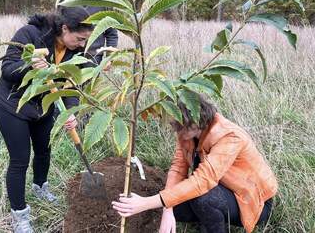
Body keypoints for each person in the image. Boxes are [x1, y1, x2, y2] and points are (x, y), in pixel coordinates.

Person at [112, 94, 278, 233]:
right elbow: (178, 168)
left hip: (252, 201)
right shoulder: (188, 134)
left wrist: (146, 203)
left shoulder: (229, 137)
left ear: (195, 122)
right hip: (218, 188)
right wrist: (168, 208)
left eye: (179, 128)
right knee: (167, 202)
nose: (177, 132)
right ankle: (208, 218)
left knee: (202, 198)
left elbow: (203, 181)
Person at [0, 6, 94, 233]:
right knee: (20, 159)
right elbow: (7, 69)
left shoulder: (75, 53)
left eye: (85, 40)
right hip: (13, 106)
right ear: (65, 28)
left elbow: (71, 87)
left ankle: (40, 188)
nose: (82, 44)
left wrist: (70, 113)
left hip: (43, 108)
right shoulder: (30, 34)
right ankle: (19, 216)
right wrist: (29, 65)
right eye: (79, 39)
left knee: (44, 151)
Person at [84, 0, 118, 67]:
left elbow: (111, 33)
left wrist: (109, 58)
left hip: (93, 57)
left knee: (89, 84)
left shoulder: (106, 2)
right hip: (69, 54)